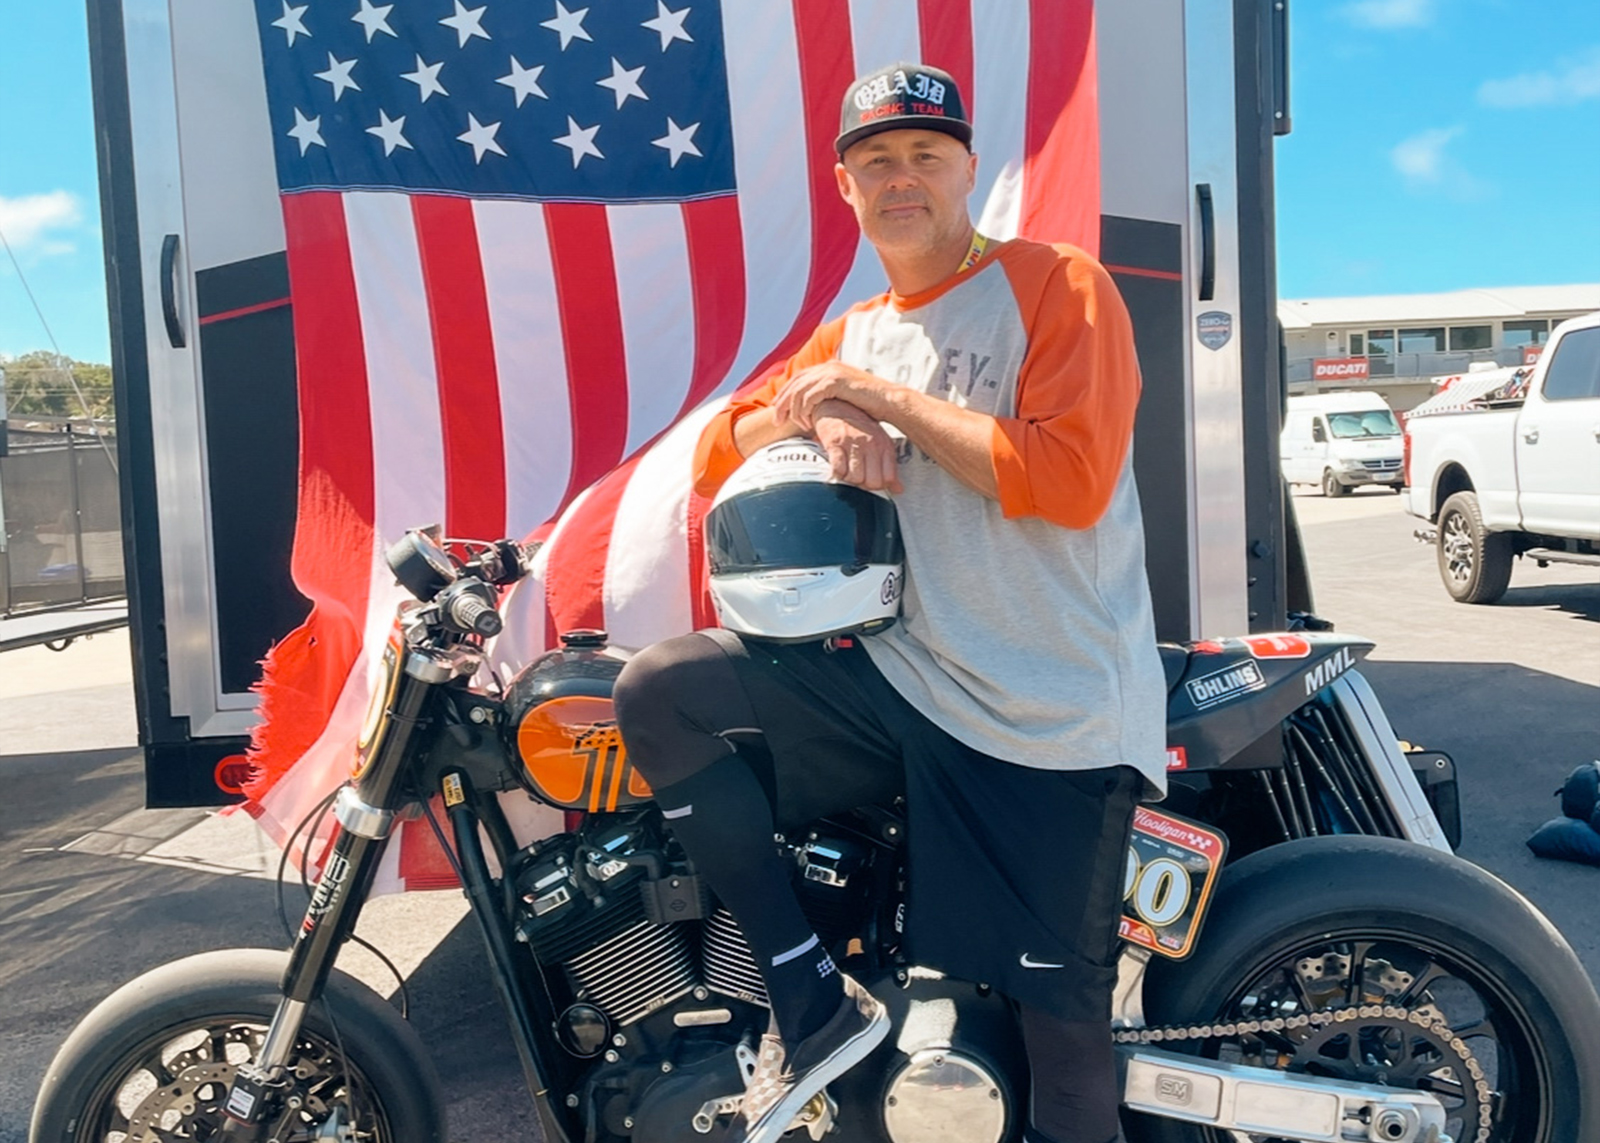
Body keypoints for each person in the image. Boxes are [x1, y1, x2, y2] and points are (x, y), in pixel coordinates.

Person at [612, 61, 1167, 1143]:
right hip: (903, 678)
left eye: (924, 155)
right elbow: (720, 448)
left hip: (1047, 707)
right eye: (876, 161)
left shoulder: (1058, 285)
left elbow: (1065, 480)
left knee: (1061, 1036)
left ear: (968, 168)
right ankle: (809, 1005)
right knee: (660, 691)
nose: (900, 177)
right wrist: (817, 417)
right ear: (845, 189)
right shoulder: (851, 332)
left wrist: (874, 399)